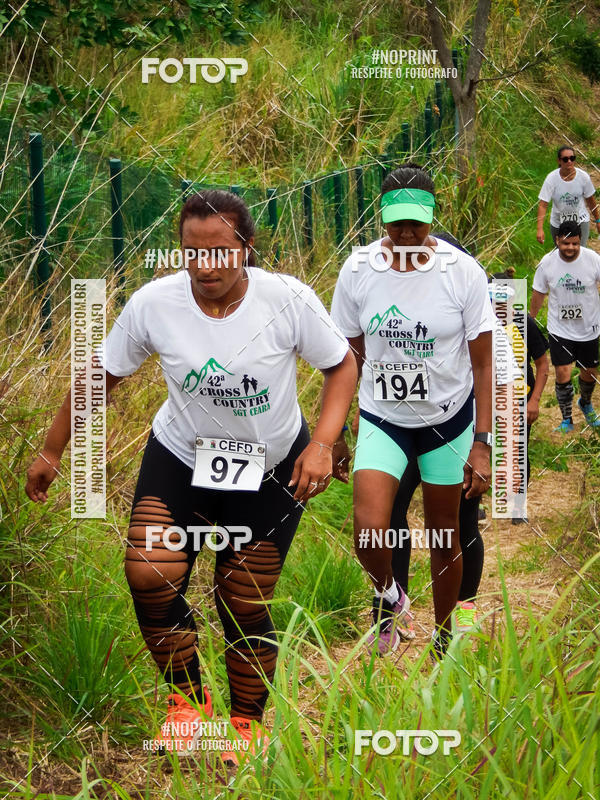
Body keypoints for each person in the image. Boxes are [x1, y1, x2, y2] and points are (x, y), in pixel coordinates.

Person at [25, 189, 357, 764]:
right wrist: (54, 450)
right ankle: (188, 702)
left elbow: (341, 365)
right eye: (190, 252)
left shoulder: (286, 299)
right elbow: (101, 376)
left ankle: (247, 724)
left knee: (242, 596)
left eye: (220, 252)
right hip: (182, 455)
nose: (205, 266)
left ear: (245, 248)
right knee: (150, 572)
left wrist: (323, 444)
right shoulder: (155, 304)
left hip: (270, 465)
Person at [330, 163, 493, 659]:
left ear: (432, 216)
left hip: (446, 422)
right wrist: (335, 430)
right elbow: (346, 357)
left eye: (416, 223)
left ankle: (447, 643)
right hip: (383, 417)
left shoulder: (462, 273)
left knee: (446, 535)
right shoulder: (358, 271)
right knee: (370, 529)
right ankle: (392, 602)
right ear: (380, 216)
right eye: (396, 222)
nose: (406, 233)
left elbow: (484, 365)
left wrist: (483, 443)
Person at [530, 219, 600, 433]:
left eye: (575, 244)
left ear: (581, 243)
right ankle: (567, 418)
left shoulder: (593, 260)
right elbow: (539, 292)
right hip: (559, 329)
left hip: (589, 327)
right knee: (562, 371)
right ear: (558, 240)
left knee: (589, 371)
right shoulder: (547, 263)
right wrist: (529, 322)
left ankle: (586, 403)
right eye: (566, 243)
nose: (570, 248)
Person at [492, 272, 549, 524]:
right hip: (486, 399)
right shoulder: (478, 322)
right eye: (495, 298)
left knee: (517, 450)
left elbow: (542, 365)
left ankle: (518, 505)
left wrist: (534, 400)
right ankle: (476, 505)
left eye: (505, 298)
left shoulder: (524, 323)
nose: (500, 304)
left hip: (519, 398)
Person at [537, 145, 600, 247]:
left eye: (572, 158)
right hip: (558, 223)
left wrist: (598, 220)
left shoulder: (583, 177)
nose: (569, 161)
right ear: (559, 161)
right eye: (565, 159)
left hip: (581, 220)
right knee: (561, 253)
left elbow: (591, 200)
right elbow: (543, 204)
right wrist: (539, 229)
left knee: (580, 251)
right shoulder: (551, 179)